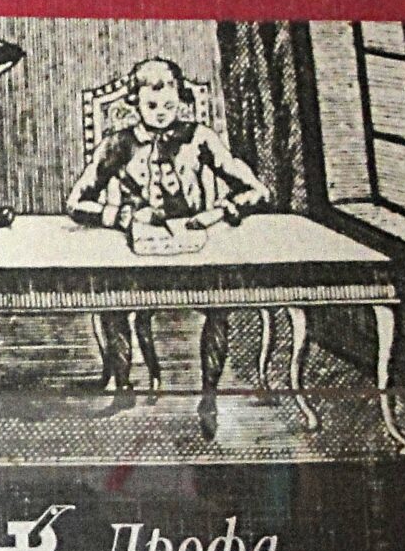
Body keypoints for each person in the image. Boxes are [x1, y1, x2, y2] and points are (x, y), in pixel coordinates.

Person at [67, 56, 270, 425]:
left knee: (218, 304)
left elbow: (256, 191)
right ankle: (123, 386)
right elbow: (76, 203)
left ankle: (209, 397)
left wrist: (220, 211)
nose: (161, 113)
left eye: (169, 105)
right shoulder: (118, 144)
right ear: (135, 103)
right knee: (112, 302)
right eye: (152, 105)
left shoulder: (200, 138)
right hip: (137, 253)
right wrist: (122, 216)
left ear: (181, 101)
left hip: (191, 250)